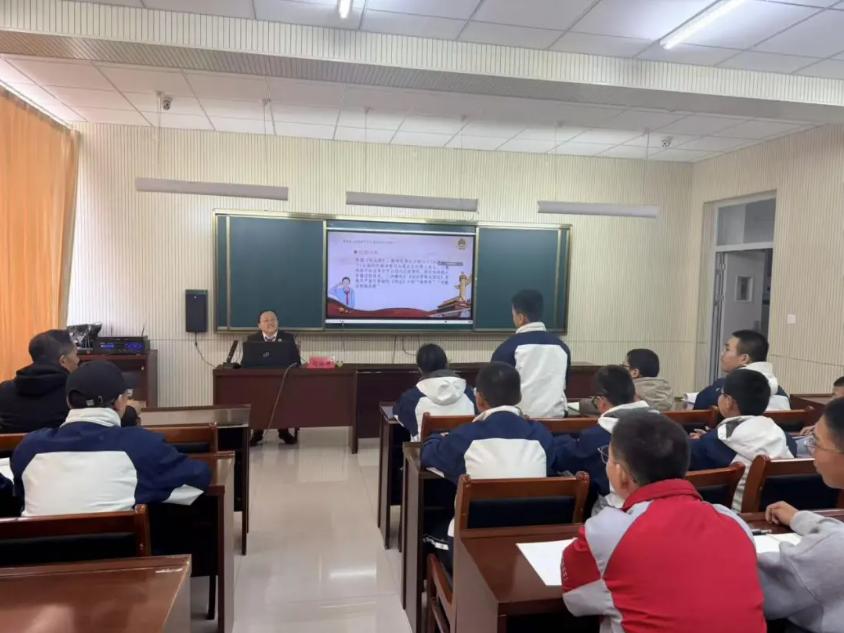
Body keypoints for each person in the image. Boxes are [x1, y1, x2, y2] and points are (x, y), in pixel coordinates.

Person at [562, 410, 766, 633]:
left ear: (620, 473)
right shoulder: (734, 522)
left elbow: (575, 600)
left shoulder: (606, 531)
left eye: (608, 458)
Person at [11, 361, 211, 517]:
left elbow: (20, 495)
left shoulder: (29, 447)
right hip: (122, 557)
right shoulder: (141, 445)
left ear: (68, 402)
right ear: (121, 401)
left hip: (37, 558)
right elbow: (198, 479)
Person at [420, 362, 554, 569]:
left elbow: (428, 455)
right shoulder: (542, 435)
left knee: (432, 520)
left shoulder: (465, 436)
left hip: (470, 547)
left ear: (480, 398)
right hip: (529, 544)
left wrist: (437, 438)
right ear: (519, 396)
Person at [757, 397, 844, 632]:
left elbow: (758, 587)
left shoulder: (831, 552)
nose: (810, 449)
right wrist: (801, 519)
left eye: (816, 442)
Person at [689, 368, 795, 511]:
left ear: (728, 402)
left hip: (733, 515)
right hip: (777, 512)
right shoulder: (785, 439)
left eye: (722, 394)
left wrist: (700, 441)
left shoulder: (713, 444)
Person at [553, 365, 653, 514]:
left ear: (602, 401)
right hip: (664, 509)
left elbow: (562, 458)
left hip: (617, 513)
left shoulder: (597, 436)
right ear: (635, 396)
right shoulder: (667, 429)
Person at [0, 330, 138, 433]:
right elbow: (99, 421)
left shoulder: (4, 390)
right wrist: (131, 410)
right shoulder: (75, 392)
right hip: (64, 457)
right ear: (63, 361)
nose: (78, 360)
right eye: (75, 354)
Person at [491, 289, 571, 418]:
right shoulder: (562, 347)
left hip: (519, 422)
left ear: (521, 318)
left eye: (513, 314)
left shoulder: (506, 349)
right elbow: (565, 384)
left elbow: (496, 392)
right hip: (557, 421)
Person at [393, 344, 476, 440]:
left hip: (427, 449)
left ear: (420, 369)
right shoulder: (470, 393)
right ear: (447, 364)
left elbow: (398, 415)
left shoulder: (410, 399)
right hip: (465, 449)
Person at [694, 330, 789, 410]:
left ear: (744, 358)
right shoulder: (780, 392)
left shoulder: (725, 388)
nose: (722, 354)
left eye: (727, 349)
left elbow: (699, 407)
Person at [246, 309, 301, 446]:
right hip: (259, 381)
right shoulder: (252, 339)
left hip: (283, 380)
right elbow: (245, 363)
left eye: (273, 320)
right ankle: (257, 432)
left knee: (284, 399)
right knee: (257, 399)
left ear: (278, 322)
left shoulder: (288, 338)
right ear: (259, 325)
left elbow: (296, 362)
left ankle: (284, 431)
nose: (270, 323)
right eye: (266, 320)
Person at [578, 348, 673, 414]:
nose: (621, 369)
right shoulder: (667, 393)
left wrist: (588, 402)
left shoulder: (627, 392)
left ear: (635, 372)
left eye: (624, 366)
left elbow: (595, 406)